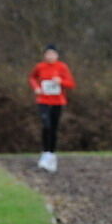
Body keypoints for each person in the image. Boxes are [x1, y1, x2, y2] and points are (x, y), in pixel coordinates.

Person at [28, 45, 76, 173]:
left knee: (54, 128)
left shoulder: (62, 67)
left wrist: (60, 81)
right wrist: (36, 88)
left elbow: (71, 84)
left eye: (52, 54)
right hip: (43, 100)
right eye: (48, 54)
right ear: (44, 55)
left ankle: (52, 155)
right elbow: (32, 78)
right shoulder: (40, 67)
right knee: (46, 125)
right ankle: (45, 152)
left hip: (58, 101)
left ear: (57, 55)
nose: (50, 56)